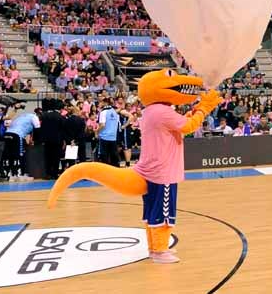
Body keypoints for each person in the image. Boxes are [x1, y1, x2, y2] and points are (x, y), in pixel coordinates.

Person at [48, 69, 221, 264]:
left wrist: (196, 109)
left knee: (151, 212)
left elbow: (181, 125)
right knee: (163, 214)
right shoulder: (162, 112)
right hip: (162, 172)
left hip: (151, 170)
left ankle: (155, 248)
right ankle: (160, 251)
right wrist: (204, 107)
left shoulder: (151, 111)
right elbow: (189, 126)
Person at [5, 108, 40, 181]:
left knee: (11, 155)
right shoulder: (34, 117)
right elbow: (37, 129)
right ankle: (22, 175)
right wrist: (35, 141)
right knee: (21, 155)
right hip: (17, 135)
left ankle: (12, 175)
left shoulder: (23, 116)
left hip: (7, 134)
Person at [38, 104, 66, 180]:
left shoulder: (45, 116)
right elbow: (63, 130)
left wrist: (42, 139)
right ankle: (55, 173)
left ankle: (48, 174)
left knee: (47, 157)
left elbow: (42, 128)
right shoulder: (61, 117)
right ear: (61, 109)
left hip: (47, 140)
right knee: (56, 158)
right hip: (57, 140)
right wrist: (64, 140)